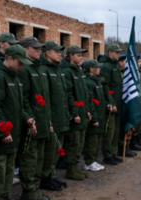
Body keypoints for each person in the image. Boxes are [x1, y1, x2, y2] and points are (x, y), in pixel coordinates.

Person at [0, 44, 34, 200]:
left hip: (14, 133)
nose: (21, 67)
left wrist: (27, 117)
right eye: (20, 63)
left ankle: (4, 195)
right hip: (3, 135)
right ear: (9, 58)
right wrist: (3, 131)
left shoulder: (15, 76)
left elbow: (18, 105)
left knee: (9, 169)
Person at [17, 37, 52, 200]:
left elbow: (46, 98)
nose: (39, 50)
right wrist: (30, 119)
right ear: (25, 49)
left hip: (43, 121)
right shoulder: (24, 69)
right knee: (30, 159)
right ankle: (29, 191)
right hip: (32, 122)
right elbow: (23, 98)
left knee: (39, 158)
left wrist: (48, 120)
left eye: (40, 48)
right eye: (34, 48)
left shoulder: (40, 68)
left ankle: (35, 189)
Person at [40, 41, 68, 190]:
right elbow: (46, 97)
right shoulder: (44, 70)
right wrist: (48, 118)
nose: (60, 54)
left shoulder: (58, 69)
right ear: (47, 53)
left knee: (56, 150)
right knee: (50, 151)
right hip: (52, 117)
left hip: (61, 116)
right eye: (56, 52)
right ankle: (45, 179)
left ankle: (51, 176)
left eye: (60, 52)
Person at [61, 45, 91, 178]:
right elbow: (69, 94)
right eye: (78, 55)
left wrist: (88, 110)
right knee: (73, 142)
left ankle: (76, 166)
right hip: (76, 115)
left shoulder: (79, 71)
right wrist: (75, 113)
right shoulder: (67, 71)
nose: (81, 57)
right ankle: (70, 169)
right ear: (71, 55)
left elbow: (85, 94)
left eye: (82, 55)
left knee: (80, 142)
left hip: (83, 112)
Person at [98, 44, 124, 165]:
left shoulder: (116, 65)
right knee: (109, 131)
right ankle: (107, 155)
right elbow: (105, 86)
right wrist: (111, 102)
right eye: (117, 52)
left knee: (116, 130)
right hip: (111, 103)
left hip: (118, 102)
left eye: (119, 53)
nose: (119, 54)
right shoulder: (106, 66)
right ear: (110, 53)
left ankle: (113, 152)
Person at [82, 60, 107, 171]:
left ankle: (93, 160)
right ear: (91, 69)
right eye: (97, 67)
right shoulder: (88, 82)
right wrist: (94, 118)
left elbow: (100, 99)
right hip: (95, 116)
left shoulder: (97, 81)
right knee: (92, 141)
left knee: (97, 140)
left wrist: (107, 105)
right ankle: (89, 162)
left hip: (100, 114)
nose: (99, 69)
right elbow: (90, 102)